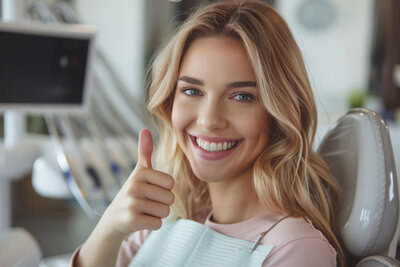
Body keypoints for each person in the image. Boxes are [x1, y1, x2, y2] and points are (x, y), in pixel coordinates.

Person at [72, 0, 345, 266]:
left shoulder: (295, 249)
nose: (208, 120)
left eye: (241, 96)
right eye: (192, 91)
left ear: (280, 112)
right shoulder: (168, 221)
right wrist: (110, 226)